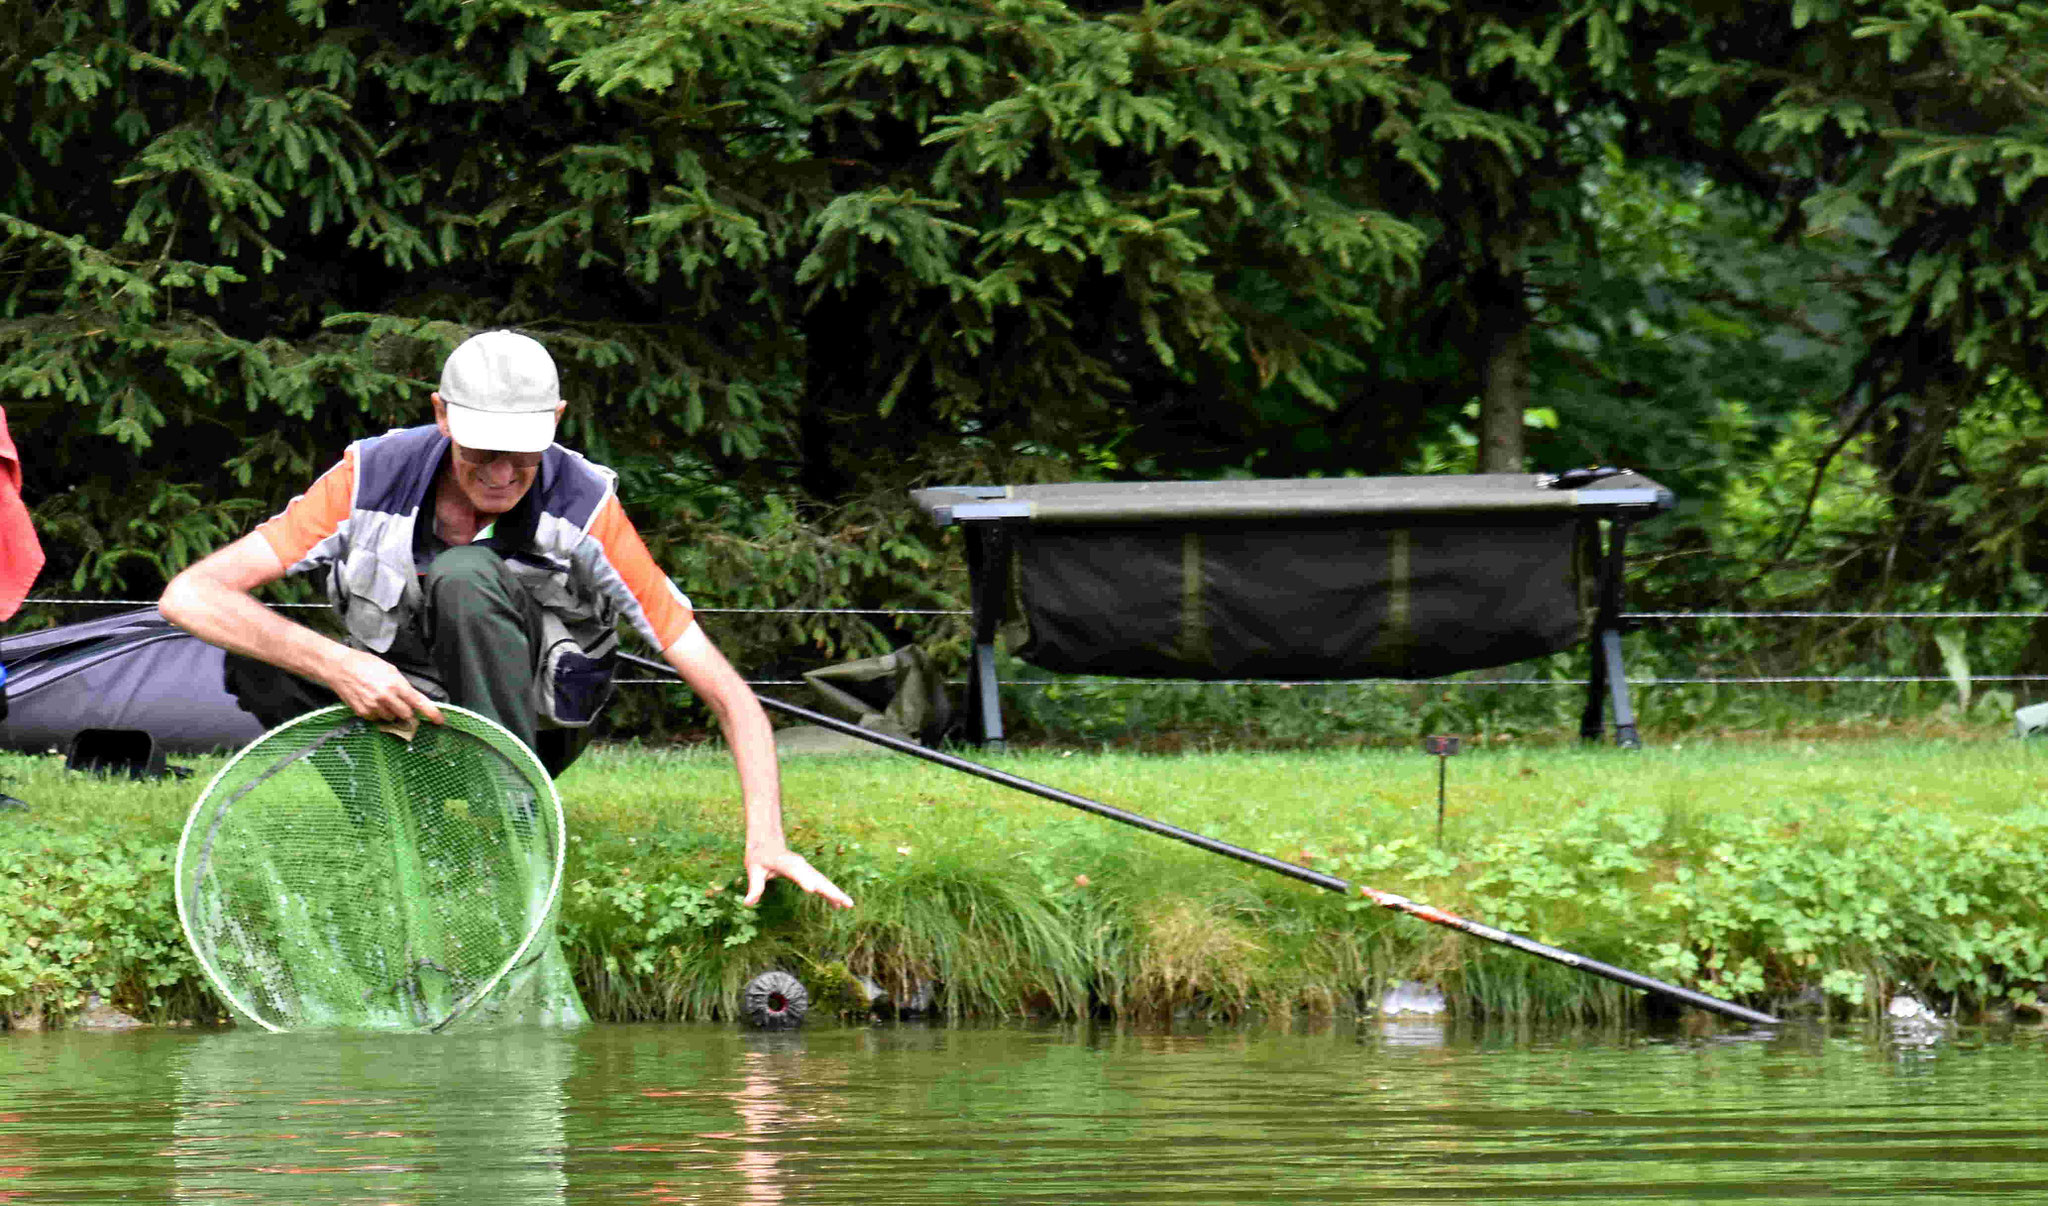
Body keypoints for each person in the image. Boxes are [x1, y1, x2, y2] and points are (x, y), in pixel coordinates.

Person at [161, 329, 852, 910]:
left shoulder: (586, 509)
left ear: (556, 419)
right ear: (440, 415)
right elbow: (191, 596)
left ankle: (508, 827)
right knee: (254, 648)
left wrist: (767, 838)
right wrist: (338, 663)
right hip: (412, 711)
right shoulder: (369, 475)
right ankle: (408, 820)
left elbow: (730, 696)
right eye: (480, 449)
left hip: (536, 731)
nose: (499, 473)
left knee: (464, 578)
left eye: (520, 452)